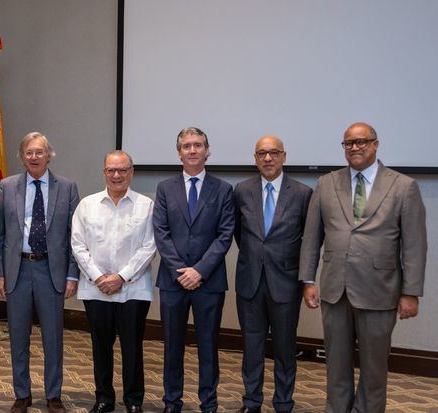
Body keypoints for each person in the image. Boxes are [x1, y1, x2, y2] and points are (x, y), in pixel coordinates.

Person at [299, 122, 427, 413]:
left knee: (373, 369)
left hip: (379, 291)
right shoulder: (326, 183)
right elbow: (311, 237)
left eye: (362, 142)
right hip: (334, 291)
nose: (354, 148)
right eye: (348, 144)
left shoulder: (403, 186)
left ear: (376, 144)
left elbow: (415, 246)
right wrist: (308, 280)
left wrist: (410, 293)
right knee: (336, 364)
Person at [0, 132, 80, 413]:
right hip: (17, 270)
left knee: (53, 338)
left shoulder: (67, 188)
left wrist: (72, 274)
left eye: (39, 152)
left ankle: (53, 394)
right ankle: (22, 393)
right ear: (22, 156)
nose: (34, 157)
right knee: (18, 336)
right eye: (29, 152)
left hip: (50, 270)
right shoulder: (7, 187)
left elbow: (74, 237)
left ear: (49, 155)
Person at [153, 127, 234, 413]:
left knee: (208, 347)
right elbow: (161, 233)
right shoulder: (165, 188)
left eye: (198, 145)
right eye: (186, 146)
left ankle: (208, 403)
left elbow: (225, 235)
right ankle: (171, 402)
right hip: (173, 282)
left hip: (209, 282)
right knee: (172, 346)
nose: (192, 150)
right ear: (179, 153)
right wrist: (180, 270)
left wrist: (199, 271)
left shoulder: (223, 189)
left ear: (207, 150)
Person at [71, 150, 156, 413]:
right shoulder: (87, 204)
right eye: (111, 170)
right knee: (100, 347)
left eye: (122, 170)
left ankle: (133, 400)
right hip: (96, 290)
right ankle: (104, 398)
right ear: (104, 172)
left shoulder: (146, 205)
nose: (116, 175)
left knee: (132, 347)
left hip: (133, 289)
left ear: (131, 172)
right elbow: (77, 244)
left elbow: (149, 246)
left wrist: (120, 277)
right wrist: (99, 277)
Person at [233, 136, 312, 413]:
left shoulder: (302, 193)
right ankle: (251, 401)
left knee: (285, 348)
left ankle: (283, 402)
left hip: (286, 284)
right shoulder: (242, 190)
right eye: (262, 153)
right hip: (250, 282)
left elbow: (309, 240)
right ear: (255, 158)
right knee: (251, 348)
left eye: (274, 153)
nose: (268, 159)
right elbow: (240, 235)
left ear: (284, 156)